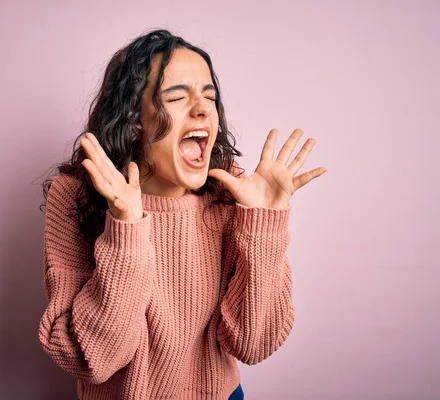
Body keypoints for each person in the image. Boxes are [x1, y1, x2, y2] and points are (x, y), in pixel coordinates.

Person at [38, 28, 326, 400]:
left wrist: (264, 225)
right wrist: (125, 228)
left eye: (210, 96)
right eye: (176, 97)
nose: (204, 108)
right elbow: (93, 359)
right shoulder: (79, 193)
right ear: (134, 119)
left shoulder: (232, 193)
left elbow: (255, 344)